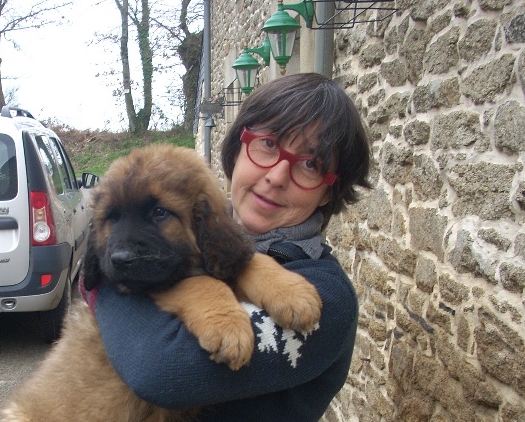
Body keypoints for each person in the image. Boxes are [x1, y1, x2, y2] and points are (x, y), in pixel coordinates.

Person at [93, 73, 372, 421]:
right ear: (238, 148)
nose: (277, 176)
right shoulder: (192, 234)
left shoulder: (329, 296)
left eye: (310, 164)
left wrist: (102, 288)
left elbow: (159, 372)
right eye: (268, 144)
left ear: (330, 191)